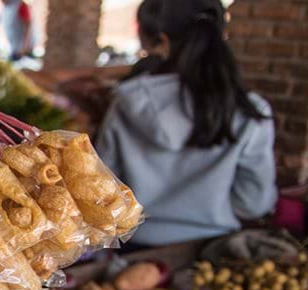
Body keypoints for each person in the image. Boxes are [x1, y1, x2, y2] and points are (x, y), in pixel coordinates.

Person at [95, 0, 275, 247]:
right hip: (214, 252)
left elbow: (103, 186)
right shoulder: (250, 111)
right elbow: (254, 203)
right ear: (223, 35)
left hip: (135, 249)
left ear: (164, 40)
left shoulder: (128, 101)